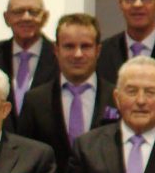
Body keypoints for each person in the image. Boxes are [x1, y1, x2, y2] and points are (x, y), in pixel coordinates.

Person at [17, 11, 117, 153]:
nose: (78, 54)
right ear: (56, 50)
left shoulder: (117, 98)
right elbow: (24, 155)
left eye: (86, 46)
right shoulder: (35, 101)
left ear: (98, 50)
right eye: (69, 46)